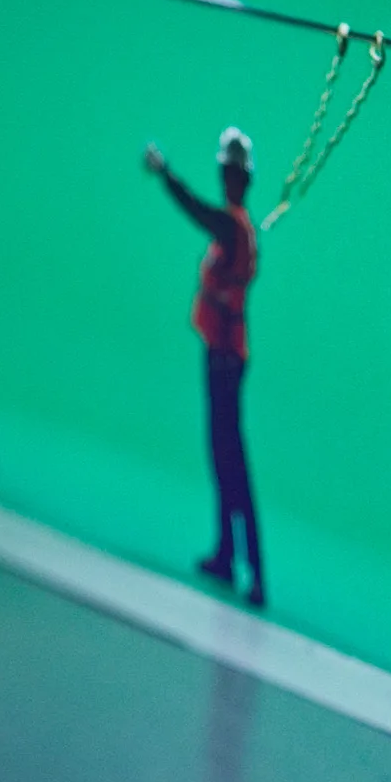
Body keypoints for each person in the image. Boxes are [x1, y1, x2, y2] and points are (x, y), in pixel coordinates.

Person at [145, 128, 266, 608]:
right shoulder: (238, 225)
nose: (225, 178)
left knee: (233, 463)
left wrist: (165, 173)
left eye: (230, 172)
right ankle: (226, 552)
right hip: (217, 352)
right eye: (224, 171)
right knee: (220, 456)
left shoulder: (233, 226)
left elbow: (197, 212)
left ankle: (255, 570)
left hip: (225, 359)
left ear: (241, 178)